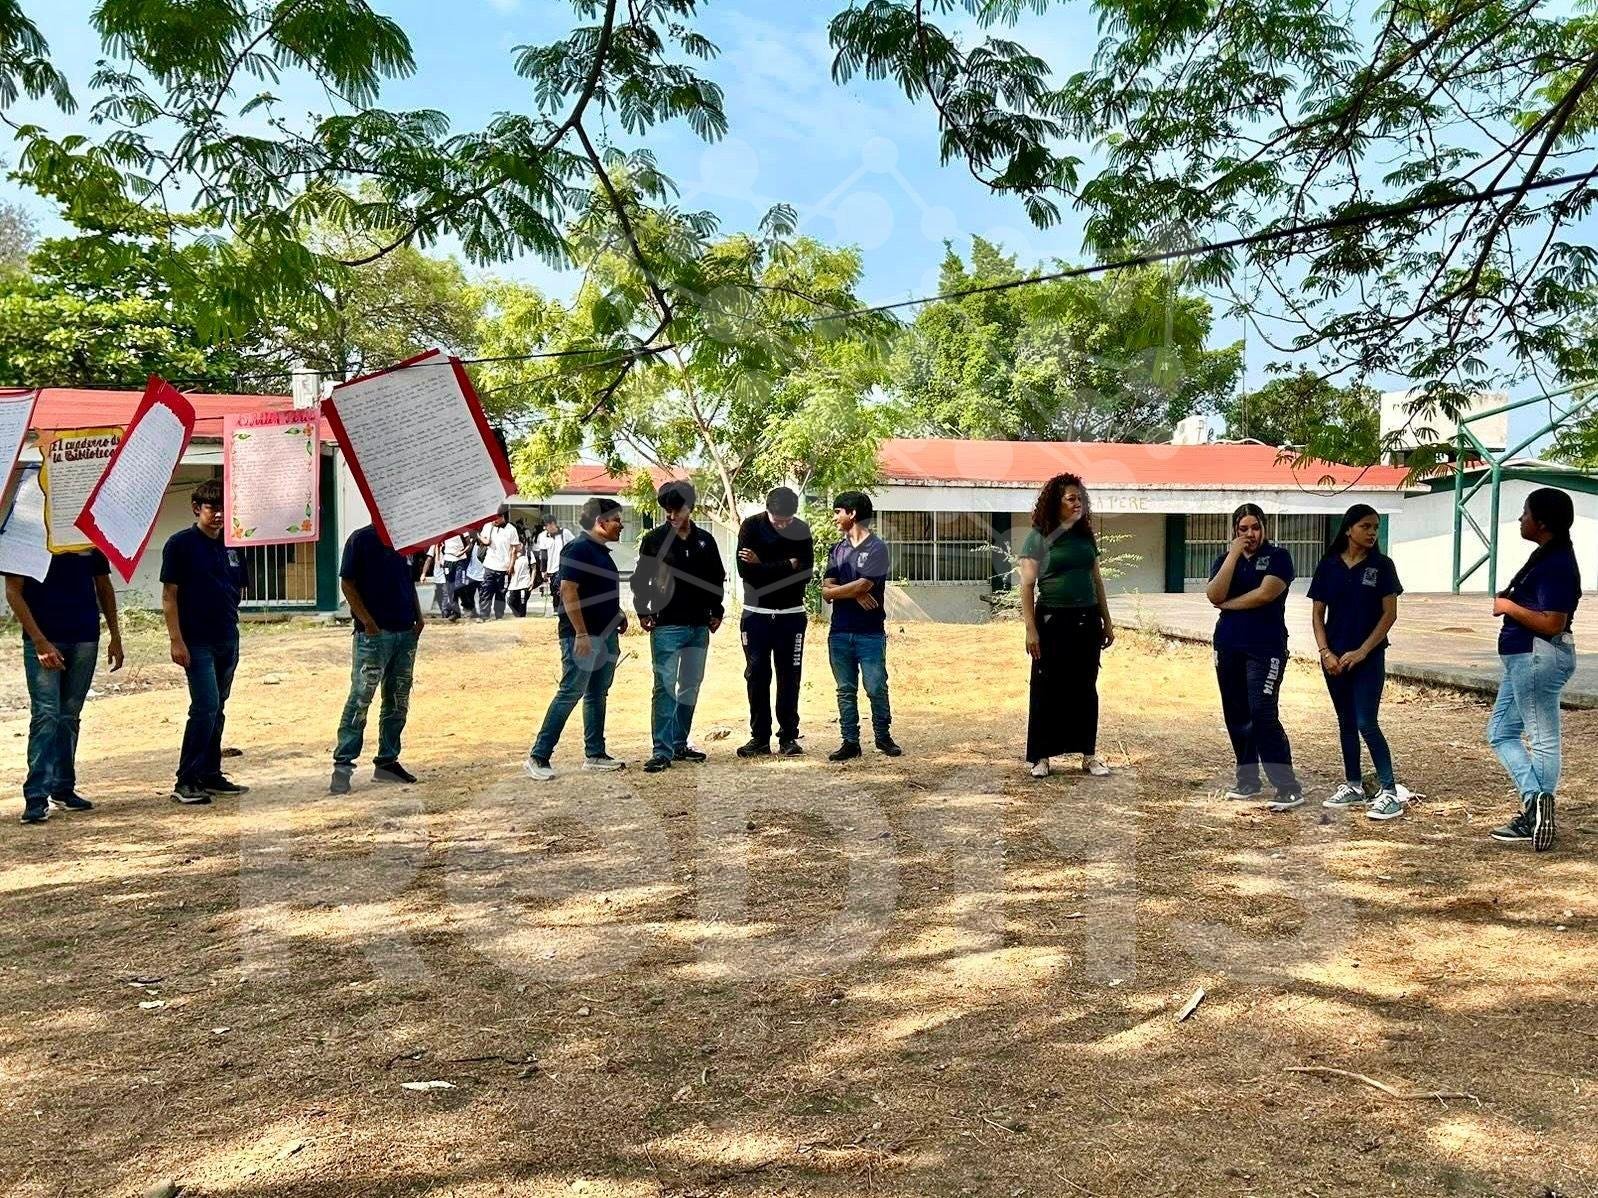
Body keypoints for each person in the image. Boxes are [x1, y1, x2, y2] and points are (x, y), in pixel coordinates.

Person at [1486, 487, 1580, 851]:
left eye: (1525, 514)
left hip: (1537, 656)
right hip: (1522, 659)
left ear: (1541, 522)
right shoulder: (1547, 557)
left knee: (1542, 738)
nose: (1520, 519)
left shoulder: (1557, 564)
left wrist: (1508, 606)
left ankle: (1535, 813)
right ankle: (1535, 803)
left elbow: (1553, 622)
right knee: (1500, 731)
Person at [6, 546, 124, 824]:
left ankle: (63, 788)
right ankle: (36, 796)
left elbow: (104, 586)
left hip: (85, 637)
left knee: (69, 716)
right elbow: (13, 591)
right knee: (46, 715)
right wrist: (39, 641)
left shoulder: (87, 539)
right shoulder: (26, 536)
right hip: (43, 640)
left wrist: (115, 635)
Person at [1309, 504, 1405, 820]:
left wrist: (1363, 651)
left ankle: (1389, 791)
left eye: (1375, 527)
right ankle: (1353, 785)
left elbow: (1389, 615)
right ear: (1349, 528)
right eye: (1366, 526)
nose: (1372, 532)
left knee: (1366, 721)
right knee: (1346, 721)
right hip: (1334, 659)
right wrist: (1326, 653)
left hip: (1368, 658)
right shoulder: (1328, 566)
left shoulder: (1382, 566)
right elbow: (1317, 615)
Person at [1205, 503, 1303, 810]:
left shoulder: (1278, 557)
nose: (1250, 534)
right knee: (1237, 714)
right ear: (1235, 531)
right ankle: (1247, 780)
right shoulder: (1225, 560)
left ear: (1264, 527)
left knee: (1262, 712)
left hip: (1265, 648)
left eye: (1256, 527)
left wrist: (1229, 605)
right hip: (1228, 645)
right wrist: (1233, 554)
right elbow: (1214, 594)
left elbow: (1265, 594)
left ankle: (1287, 786)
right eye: (1243, 529)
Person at [1018, 473, 1115, 779]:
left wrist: (1107, 621)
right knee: (1046, 688)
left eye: (1080, 498)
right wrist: (1030, 629)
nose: (1078, 503)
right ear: (1055, 503)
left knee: (1085, 687)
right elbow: (1027, 586)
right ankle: (1041, 756)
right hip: (1051, 621)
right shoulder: (1037, 538)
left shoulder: (1086, 536)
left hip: (1086, 620)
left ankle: (1088, 754)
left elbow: (1096, 580)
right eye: (1071, 498)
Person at [525, 498, 629, 780]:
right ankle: (539, 756)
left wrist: (617, 614)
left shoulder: (601, 552)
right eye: (616, 520)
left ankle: (595, 753)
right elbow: (568, 591)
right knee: (571, 691)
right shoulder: (578, 548)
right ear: (600, 521)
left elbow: (597, 591)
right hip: (583, 636)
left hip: (605, 635)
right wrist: (581, 633)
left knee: (597, 693)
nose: (621, 525)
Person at [161, 478, 250, 805]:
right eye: (212, 507)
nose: (218, 514)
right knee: (205, 707)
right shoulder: (180, 544)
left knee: (218, 708)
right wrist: (176, 640)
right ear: (197, 508)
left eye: (224, 508)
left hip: (227, 637)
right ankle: (186, 780)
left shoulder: (233, 545)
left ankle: (210, 774)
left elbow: (239, 587)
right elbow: (169, 596)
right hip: (196, 642)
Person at [631, 481, 726, 773]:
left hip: (698, 626)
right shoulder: (654, 540)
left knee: (690, 686)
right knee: (664, 687)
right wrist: (643, 610)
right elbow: (641, 578)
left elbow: (716, 577)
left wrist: (717, 610)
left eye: (677, 510)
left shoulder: (705, 541)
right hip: (666, 626)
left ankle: (679, 742)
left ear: (690, 508)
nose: (672, 516)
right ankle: (661, 751)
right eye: (667, 510)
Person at [331, 524, 425, 794]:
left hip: (405, 631)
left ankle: (387, 761)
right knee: (361, 698)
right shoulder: (361, 539)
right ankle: (343, 765)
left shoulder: (404, 538)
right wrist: (368, 622)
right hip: (374, 635)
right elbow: (347, 583)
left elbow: (408, 581)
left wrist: (418, 617)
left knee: (398, 698)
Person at [735, 486, 814, 757]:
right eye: (777, 521)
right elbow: (747, 572)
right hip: (755, 615)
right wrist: (787, 564)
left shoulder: (801, 529)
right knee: (756, 674)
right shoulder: (750, 527)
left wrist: (763, 563)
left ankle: (788, 737)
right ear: (767, 510)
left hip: (791, 615)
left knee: (789, 676)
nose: (782, 525)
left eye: (787, 521)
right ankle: (759, 738)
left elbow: (805, 575)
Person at [821, 491, 900, 761]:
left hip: (870, 632)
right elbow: (826, 590)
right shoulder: (837, 550)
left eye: (837, 512)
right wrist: (853, 592)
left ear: (852, 513)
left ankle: (883, 737)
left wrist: (841, 591)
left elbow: (865, 584)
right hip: (839, 632)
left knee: (876, 687)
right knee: (845, 689)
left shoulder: (877, 548)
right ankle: (850, 742)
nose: (834, 518)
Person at [476, 506, 521, 620]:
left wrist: (511, 566)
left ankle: (499, 616)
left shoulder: (511, 529)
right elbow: (484, 540)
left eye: (496, 518)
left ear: (503, 517)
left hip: (504, 568)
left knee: (501, 594)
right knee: (485, 591)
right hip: (489, 565)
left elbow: (514, 550)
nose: (494, 520)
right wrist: (478, 536)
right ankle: (484, 616)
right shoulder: (488, 526)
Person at [534, 514, 575, 605]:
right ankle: (556, 610)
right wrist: (543, 571)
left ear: (553, 524)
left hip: (564, 569)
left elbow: (574, 546)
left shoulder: (565, 533)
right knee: (555, 594)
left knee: (564, 595)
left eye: (546, 526)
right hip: (551, 570)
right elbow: (543, 554)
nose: (545, 528)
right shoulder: (543, 536)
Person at [507, 521, 534, 618]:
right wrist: (513, 556)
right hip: (513, 584)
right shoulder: (511, 555)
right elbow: (508, 570)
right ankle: (518, 616)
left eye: (519, 544)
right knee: (510, 602)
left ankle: (521, 619)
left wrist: (532, 581)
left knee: (522, 604)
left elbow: (534, 568)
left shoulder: (528, 554)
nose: (517, 546)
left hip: (524, 583)